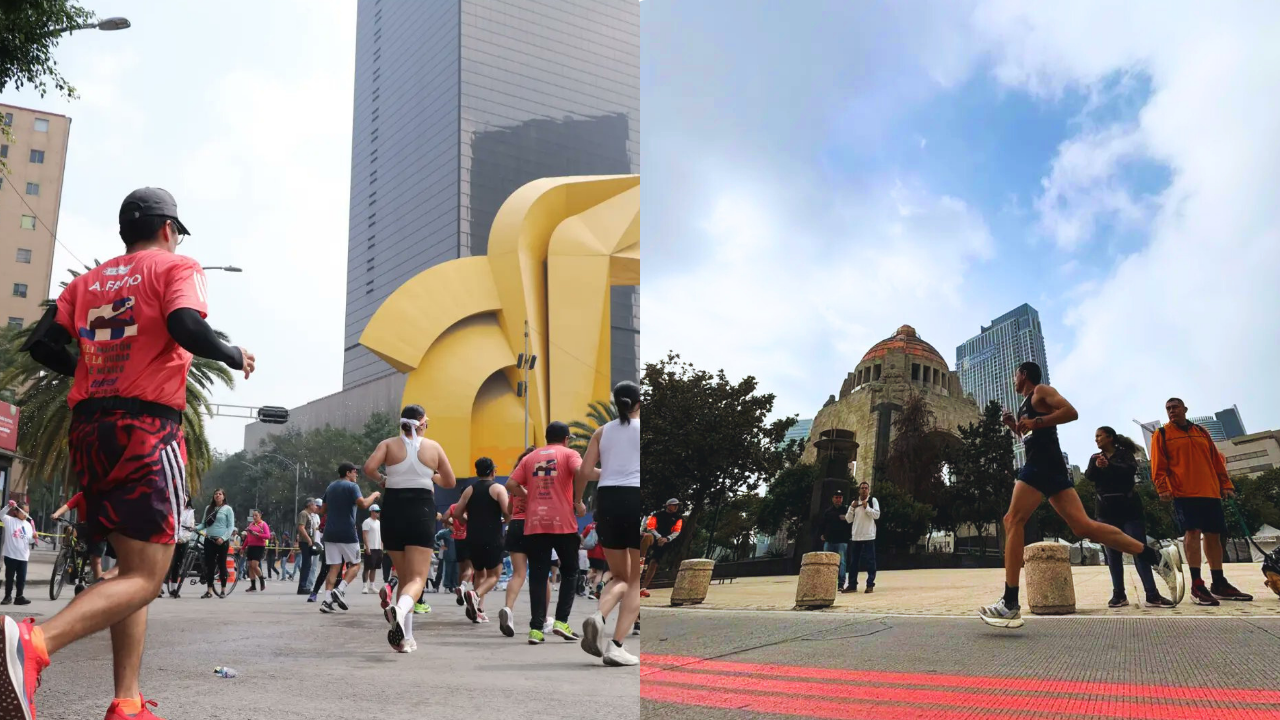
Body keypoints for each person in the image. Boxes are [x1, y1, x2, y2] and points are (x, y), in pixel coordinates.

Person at [1, 187, 255, 720]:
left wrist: (93, 374)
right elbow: (186, 326)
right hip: (145, 429)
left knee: (125, 569)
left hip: (89, 427)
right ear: (169, 229)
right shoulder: (176, 266)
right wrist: (233, 353)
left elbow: (43, 345)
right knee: (148, 575)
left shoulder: (87, 282)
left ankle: (128, 700)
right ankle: (33, 644)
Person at [980, 362, 1183, 629]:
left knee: (1012, 520)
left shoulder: (1041, 391)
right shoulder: (1026, 403)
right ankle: (1156, 557)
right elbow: (1029, 433)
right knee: (1084, 527)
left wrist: (1037, 421)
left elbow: (1070, 412)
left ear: (1024, 375)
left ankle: (1009, 603)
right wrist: (1014, 427)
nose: (1013, 380)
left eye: (1015, 375)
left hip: (1041, 465)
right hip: (1049, 467)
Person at [363, 405, 457, 652]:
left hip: (392, 509)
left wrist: (384, 480)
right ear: (423, 423)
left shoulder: (388, 444)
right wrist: (431, 475)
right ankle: (400, 610)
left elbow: (368, 468)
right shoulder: (433, 447)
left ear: (401, 424)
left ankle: (406, 638)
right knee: (417, 578)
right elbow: (449, 480)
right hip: (421, 510)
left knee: (405, 579)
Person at [1151, 398, 1253, 604]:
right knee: (1192, 533)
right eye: (1168, 409)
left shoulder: (1201, 431)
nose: (1172, 411)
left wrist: (1226, 484)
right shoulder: (1162, 434)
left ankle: (1219, 582)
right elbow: (1158, 464)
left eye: (1175, 407)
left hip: (1210, 490)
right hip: (1184, 492)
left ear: (1184, 409)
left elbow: (1216, 459)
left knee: (1214, 535)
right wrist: (1163, 487)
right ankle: (1197, 585)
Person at [577, 380, 643, 666]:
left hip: (607, 500)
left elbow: (584, 470)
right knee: (635, 579)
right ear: (639, 403)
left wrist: (577, 501)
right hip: (636, 499)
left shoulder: (601, 431)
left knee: (619, 577)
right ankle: (616, 645)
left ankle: (598, 615)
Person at [507, 421, 585, 645]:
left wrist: (528, 495)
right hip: (563, 522)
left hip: (535, 523)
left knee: (538, 575)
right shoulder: (569, 454)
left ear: (546, 437)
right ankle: (561, 621)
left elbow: (511, 484)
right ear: (566, 438)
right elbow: (581, 472)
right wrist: (577, 501)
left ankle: (535, 629)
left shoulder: (530, 458)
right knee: (570, 571)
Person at [1088, 427, 1175, 609]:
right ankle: (1118, 593)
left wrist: (1109, 465)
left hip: (1129, 509)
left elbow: (1128, 472)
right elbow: (1090, 477)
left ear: (1110, 437)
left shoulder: (1125, 455)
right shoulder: (1095, 458)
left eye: (1099, 436)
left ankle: (1152, 594)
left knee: (1139, 549)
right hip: (1105, 510)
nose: (1096, 439)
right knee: (1112, 554)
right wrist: (1097, 466)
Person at [451, 458, 512, 624]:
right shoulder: (498, 488)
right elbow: (507, 512)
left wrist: (467, 522)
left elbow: (456, 514)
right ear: (493, 471)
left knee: (479, 573)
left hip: (472, 537)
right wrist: (504, 521)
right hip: (492, 537)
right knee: (494, 575)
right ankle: (475, 595)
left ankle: (478, 610)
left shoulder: (469, 489)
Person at [318, 463, 380, 614]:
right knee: (356, 564)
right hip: (347, 532)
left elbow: (323, 510)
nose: (356, 474)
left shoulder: (330, 487)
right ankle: (340, 590)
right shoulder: (352, 487)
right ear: (348, 473)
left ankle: (327, 601)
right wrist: (374, 495)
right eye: (355, 472)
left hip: (330, 532)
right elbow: (363, 504)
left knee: (334, 567)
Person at [50, 491, 106, 582]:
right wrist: (56, 514)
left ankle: (98, 585)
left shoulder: (103, 496)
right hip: (83, 526)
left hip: (97, 529)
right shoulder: (81, 496)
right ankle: (67, 552)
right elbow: (67, 506)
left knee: (96, 561)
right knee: (69, 530)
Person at [196, 490, 235, 599]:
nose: (217, 495)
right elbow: (204, 524)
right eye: (216, 494)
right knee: (210, 566)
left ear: (224, 496)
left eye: (220, 494)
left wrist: (223, 538)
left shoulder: (228, 509)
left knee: (222, 564)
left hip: (221, 541)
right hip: (209, 540)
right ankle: (209, 591)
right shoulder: (208, 508)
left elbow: (231, 527)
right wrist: (195, 528)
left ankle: (223, 589)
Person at [641, 499, 684, 597]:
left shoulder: (678, 518)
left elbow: (676, 531)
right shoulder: (657, 515)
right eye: (674, 505)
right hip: (654, 536)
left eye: (677, 505)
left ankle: (643, 587)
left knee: (654, 562)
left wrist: (667, 539)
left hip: (665, 541)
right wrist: (659, 537)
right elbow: (650, 527)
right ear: (668, 506)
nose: (676, 507)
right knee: (647, 537)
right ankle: (641, 557)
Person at [845, 482, 881, 593]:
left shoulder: (872, 501)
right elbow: (848, 519)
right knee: (853, 562)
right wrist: (851, 508)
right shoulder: (854, 503)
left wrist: (867, 508)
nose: (864, 490)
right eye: (862, 488)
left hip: (869, 536)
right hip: (856, 536)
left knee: (870, 561)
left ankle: (870, 584)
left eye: (866, 488)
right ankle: (852, 584)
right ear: (859, 490)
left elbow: (877, 515)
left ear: (868, 490)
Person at [2, 501, 35, 606]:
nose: (26, 514)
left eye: (28, 512)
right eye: (24, 512)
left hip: (23, 556)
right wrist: (8, 506)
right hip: (10, 555)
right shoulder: (9, 520)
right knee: (10, 577)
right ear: (16, 512)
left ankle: (19, 597)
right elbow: (1, 514)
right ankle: (8, 596)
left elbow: (29, 541)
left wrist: (34, 538)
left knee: (21, 578)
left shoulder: (28, 525)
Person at [819, 489, 852, 591]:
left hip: (842, 541)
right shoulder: (828, 511)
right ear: (833, 499)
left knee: (842, 562)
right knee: (827, 562)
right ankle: (827, 582)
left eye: (840, 498)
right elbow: (823, 524)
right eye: (836, 497)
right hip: (829, 540)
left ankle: (841, 583)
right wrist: (822, 534)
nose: (838, 500)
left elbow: (850, 523)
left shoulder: (846, 511)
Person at [164, 499, 197, 597]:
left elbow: (190, 527)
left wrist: (182, 539)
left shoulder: (190, 512)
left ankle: (174, 588)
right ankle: (159, 588)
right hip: (171, 539)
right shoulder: (173, 509)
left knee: (177, 564)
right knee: (166, 563)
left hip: (183, 541)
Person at [295, 499, 320, 595]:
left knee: (308, 564)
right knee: (306, 564)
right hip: (305, 542)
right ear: (309, 505)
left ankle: (304, 586)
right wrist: (309, 539)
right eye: (314, 505)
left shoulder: (310, 515)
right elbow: (301, 527)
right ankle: (302, 587)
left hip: (309, 542)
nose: (315, 507)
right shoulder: (303, 514)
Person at [243, 511, 271, 593]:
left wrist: (257, 534)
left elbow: (268, 536)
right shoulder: (251, 525)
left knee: (255, 565)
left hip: (259, 547)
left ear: (260, 516)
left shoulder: (263, 524)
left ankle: (262, 580)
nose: (254, 517)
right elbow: (248, 538)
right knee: (250, 566)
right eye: (253, 515)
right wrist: (243, 548)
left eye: (256, 515)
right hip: (251, 546)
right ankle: (253, 586)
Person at [361, 505, 383, 594]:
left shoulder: (379, 522)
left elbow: (381, 535)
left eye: (378, 511)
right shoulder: (367, 522)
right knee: (367, 567)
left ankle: (372, 586)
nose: (378, 513)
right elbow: (364, 535)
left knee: (374, 568)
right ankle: (364, 586)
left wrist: (381, 546)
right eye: (376, 511)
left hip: (378, 547)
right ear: (372, 511)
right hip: (370, 547)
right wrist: (367, 547)